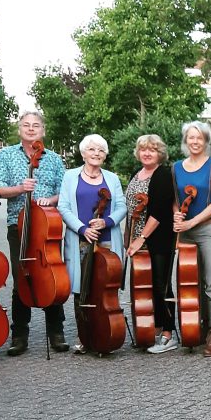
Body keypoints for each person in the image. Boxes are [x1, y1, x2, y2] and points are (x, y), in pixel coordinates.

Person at [0, 111, 68, 355]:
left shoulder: (55, 159)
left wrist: (51, 199)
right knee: (21, 277)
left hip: (48, 225)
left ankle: (56, 332)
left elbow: (63, 191)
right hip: (19, 225)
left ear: (43, 131)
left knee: (52, 275)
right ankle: (20, 335)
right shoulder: (5, 155)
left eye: (36, 125)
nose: (31, 128)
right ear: (19, 130)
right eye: (26, 125)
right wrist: (19, 188)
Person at [56, 134, 127, 354]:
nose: (96, 154)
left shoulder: (112, 178)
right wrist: (83, 228)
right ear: (83, 153)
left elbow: (122, 206)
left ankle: (105, 331)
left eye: (101, 150)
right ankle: (84, 335)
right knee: (82, 288)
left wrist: (105, 221)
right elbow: (63, 206)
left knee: (105, 286)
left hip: (106, 238)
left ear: (105, 155)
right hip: (80, 239)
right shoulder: (70, 176)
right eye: (92, 149)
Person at [172, 120, 211, 356]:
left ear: (206, 141)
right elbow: (175, 198)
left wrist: (192, 222)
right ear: (186, 141)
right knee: (188, 284)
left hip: (210, 229)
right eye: (191, 138)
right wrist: (176, 214)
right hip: (185, 232)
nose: (195, 142)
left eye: (199, 138)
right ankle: (194, 326)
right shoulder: (176, 167)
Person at [124, 135, 178, 354]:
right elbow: (131, 211)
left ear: (160, 154)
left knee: (160, 285)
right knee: (144, 287)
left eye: (152, 150)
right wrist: (129, 239)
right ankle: (152, 330)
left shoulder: (162, 175)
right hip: (138, 239)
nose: (147, 153)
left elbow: (158, 213)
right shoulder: (136, 175)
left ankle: (168, 333)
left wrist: (141, 239)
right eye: (144, 149)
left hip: (158, 238)